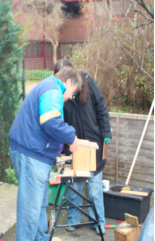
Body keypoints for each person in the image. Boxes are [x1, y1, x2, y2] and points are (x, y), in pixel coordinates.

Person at [9, 66, 82, 241]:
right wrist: (71, 136)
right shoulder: (52, 89)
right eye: (73, 93)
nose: (71, 98)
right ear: (68, 82)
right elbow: (50, 121)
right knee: (30, 210)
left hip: (34, 153)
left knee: (40, 205)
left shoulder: (49, 87)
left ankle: (41, 238)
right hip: (31, 155)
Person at [54, 58, 112, 234]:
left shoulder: (87, 81)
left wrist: (106, 133)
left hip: (93, 145)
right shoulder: (57, 92)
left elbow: (101, 107)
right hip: (70, 146)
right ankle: (73, 220)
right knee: (73, 187)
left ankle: (99, 222)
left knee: (94, 188)